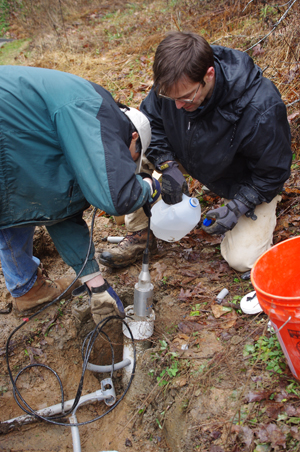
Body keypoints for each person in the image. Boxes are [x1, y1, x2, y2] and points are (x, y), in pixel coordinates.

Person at [99, 31, 292, 273]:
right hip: (191, 155)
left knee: (242, 259)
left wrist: (239, 206)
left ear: (208, 75)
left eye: (186, 98)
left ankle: (241, 210)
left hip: (242, 179)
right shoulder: (175, 84)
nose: (178, 105)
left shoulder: (260, 107)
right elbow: (153, 123)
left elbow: (272, 172)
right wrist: (168, 165)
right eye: (170, 97)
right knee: (137, 144)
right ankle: (140, 232)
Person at [0, 65, 160, 324]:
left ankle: (27, 290)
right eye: (132, 158)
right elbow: (117, 197)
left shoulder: (83, 127)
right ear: (132, 137)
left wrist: (97, 287)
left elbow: (57, 208)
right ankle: (26, 287)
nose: (127, 166)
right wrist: (150, 187)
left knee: (13, 202)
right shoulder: (95, 114)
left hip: (9, 132)